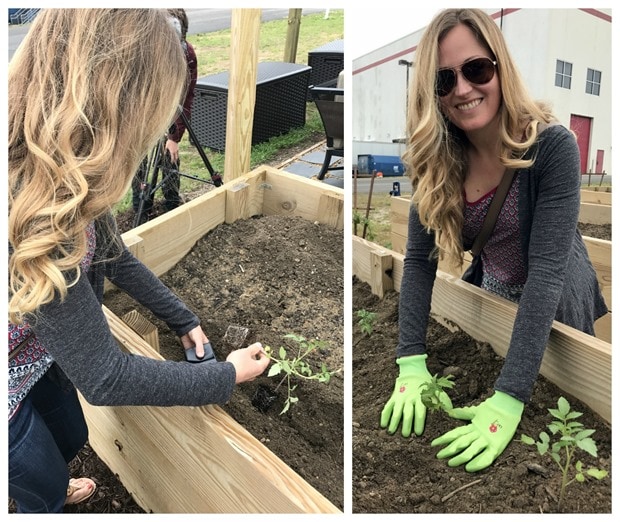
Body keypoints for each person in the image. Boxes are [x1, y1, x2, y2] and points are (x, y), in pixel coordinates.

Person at [8, 9, 269, 513]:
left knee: (70, 435)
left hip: (33, 349)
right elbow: (105, 378)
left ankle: (50, 480)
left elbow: (114, 255)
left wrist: (182, 319)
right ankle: (43, 499)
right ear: (119, 110)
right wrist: (224, 375)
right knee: (35, 483)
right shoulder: (31, 212)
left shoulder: (68, 168)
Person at [379, 8, 607, 473]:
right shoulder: (437, 156)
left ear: (500, 67)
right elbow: (418, 261)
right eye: (444, 80)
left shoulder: (551, 148)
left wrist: (509, 398)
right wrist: (411, 361)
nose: (463, 89)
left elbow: (547, 273)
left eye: (477, 69)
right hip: (495, 286)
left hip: (555, 297)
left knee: (568, 398)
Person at [131, 8, 198, 223]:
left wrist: (173, 137)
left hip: (170, 112)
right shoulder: (139, 52)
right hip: (140, 113)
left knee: (170, 156)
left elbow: (185, 96)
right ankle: (141, 209)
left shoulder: (187, 54)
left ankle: (172, 205)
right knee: (139, 161)